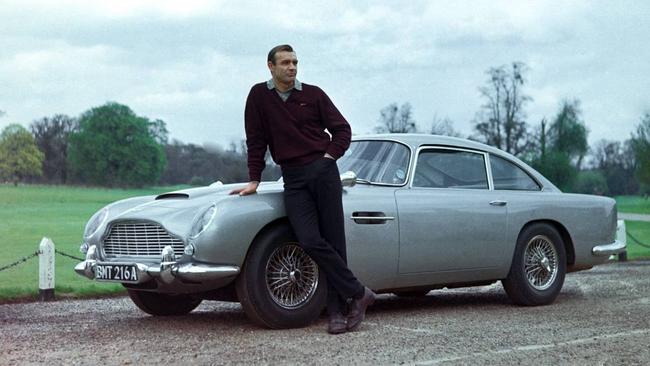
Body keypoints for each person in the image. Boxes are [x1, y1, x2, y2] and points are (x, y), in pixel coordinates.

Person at [230, 44, 375, 334]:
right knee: (309, 239)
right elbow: (256, 139)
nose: (292, 67)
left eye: (295, 62)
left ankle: (336, 313)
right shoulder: (259, 96)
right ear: (270, 66)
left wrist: (328, 158)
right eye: (285, 62)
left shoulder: (313, 94)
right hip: (293, 177)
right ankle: (359, 293)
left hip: (323, 173)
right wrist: (254, 179)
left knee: (334, 241)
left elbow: (342, 130)